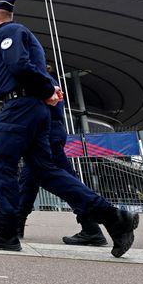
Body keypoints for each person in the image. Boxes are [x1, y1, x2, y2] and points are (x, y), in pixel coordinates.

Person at [0, 0, 138, 257]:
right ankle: (113, 217)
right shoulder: (27, 37)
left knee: (2, 165)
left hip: (19, 108)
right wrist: (46, 88)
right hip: (35, 110)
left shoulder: (8, 31)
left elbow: (17, 64)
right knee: (45, 171)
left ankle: (6, 231)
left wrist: (47, 87)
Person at [16, 65, 107, 246]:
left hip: (47, 134)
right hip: (49, 132)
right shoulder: (48, 82)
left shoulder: (42, 83)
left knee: (65, 180)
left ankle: (96, 224)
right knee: (28, 180)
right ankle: (15, 223)